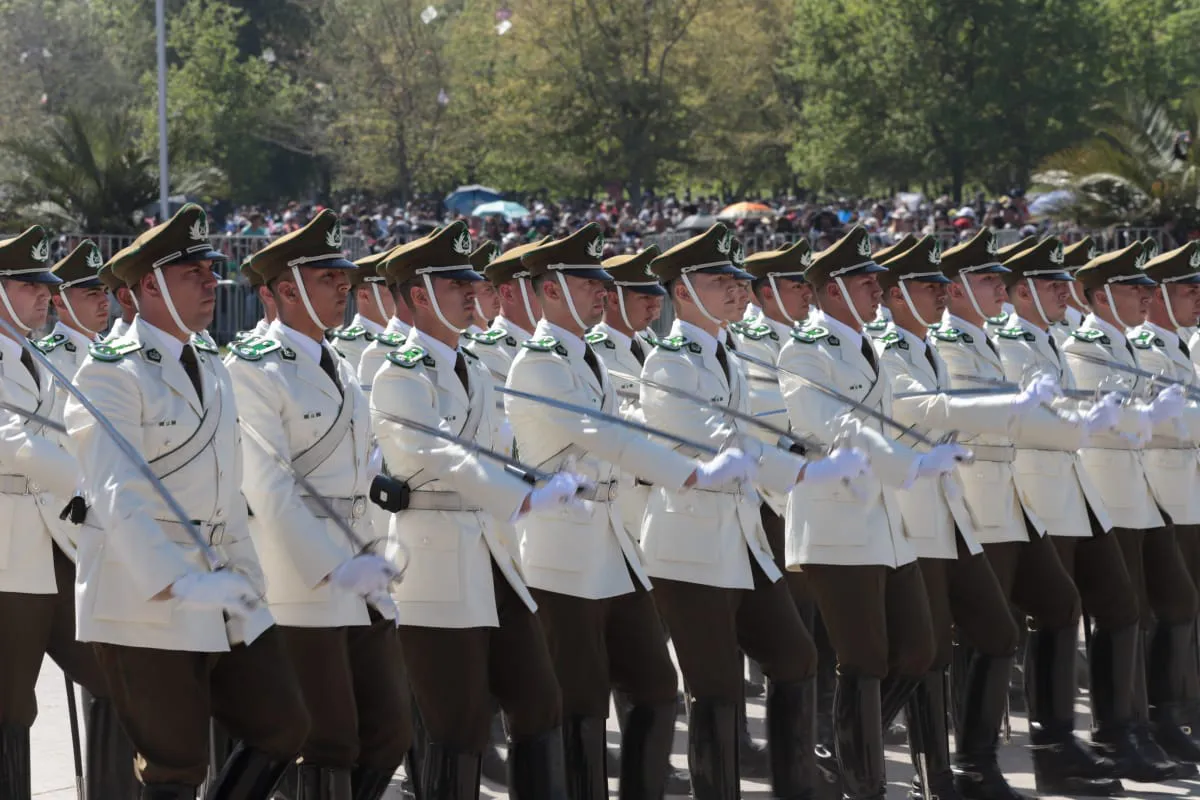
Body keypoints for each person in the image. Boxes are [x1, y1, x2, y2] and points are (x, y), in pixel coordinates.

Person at [66, 204, 311, 799]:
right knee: (175, 765)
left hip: (223, 584)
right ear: (149, 285)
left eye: (211, 271)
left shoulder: (211, 364)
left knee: (283, 726)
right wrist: (176, 581)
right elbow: (117, 494)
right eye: (192, 274)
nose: (211, 284)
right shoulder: (110, 374)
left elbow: (228, 493)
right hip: (144, 594)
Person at [505, 225, 758, 799]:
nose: (602, 291)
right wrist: (687, 469)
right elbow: (600, 434)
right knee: (581, 699)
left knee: (654, 686)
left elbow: (633, 430)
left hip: (616, 545)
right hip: (564, 551)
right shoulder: (538, 363)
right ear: (549, 290)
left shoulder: (592, 355)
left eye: (601, 282)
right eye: (587, 282)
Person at [638, 224, 871, 799]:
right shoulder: (667, 363)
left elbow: (751, 434)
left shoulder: (726, 356)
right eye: (723, 283)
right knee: (714, 687)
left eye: (740, 283)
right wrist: (804, 471)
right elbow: (721, 440)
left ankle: (797, 789)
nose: (739, 293)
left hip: (740, 539)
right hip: (689, 548)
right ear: (685, 289)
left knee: (795, 656)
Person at [370, 221, 580, 799]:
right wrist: (521, 495)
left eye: (472, 282)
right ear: (419, 295)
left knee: (540, 700)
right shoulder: (398, 374)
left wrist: (535, 479)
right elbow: (438, 454)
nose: (472, 292)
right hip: (436, 558)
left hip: (492, 557)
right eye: (454, 283)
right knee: (457, 725)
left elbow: (495, 450)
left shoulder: (475, 369)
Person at [226, 210, 413, 800]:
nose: (345, 289)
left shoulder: (338, 362)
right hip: (301, 580)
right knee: (328, 736)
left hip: (362, 576)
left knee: (390, 732)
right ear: (285, 289)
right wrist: (333, 567)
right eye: (329, 278)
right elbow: (270, 488)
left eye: (346, 279)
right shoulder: (253, 368)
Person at [778, 225, 956, 800]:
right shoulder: (803, 349)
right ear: (831, 291)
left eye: (876, 280)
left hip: (882, 520)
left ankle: (843, 746)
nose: (877, 288)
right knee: (863, 659)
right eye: (863, 280)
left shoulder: (868, 344)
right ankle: (863, 783)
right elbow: (839, 428)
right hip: (835, 522)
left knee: (918, 649)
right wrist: (909, 463)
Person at [994, 237, 1147, 791]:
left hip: (1075, 484)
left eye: (1064, 281)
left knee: (1118, 602)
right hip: (1038, 488)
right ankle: (1052, 745)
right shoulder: (1008, 341)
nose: (1066, 290)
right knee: (1054, 611)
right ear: (1023, 291)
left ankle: (1114, 733)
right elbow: (1024, 417)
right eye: (1052, 282)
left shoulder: (1052, 337)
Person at [0, 228, 136, 799]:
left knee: (116, 676)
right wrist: (90, 480)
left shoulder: (35, 356)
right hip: (9, 555)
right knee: (8, 707)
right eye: (30, 285)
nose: (43, 295)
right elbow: (11, 441)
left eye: (44, 286)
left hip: (59, 543)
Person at [1060, 241, 1197, 781]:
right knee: (1124, 612)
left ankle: (1159, 720)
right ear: (1099, 297)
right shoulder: (1085, 347)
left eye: (1146, 287)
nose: (1145, 296)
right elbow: (1112, 416)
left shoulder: (1127, 345)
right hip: (1110, 489)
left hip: (1143, 490)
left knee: (1169, 602)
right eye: (1132, 288)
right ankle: (1121, 731)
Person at [37, 239, 140, 799]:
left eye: (103, 291)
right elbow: (57, 454)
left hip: (116, 532)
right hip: (67, 538)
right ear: (60, 299)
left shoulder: (114, 353)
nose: (101, 301)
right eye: (87, 291)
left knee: (118, 675)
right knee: (104, 674)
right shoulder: (50, 357)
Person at [1124, 241, 1200, 761]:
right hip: (1159, 492)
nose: (1197, 298)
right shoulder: (1142, 346)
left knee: (1185, 607)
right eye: (1186, 290)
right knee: (1165, 606)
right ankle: (1161, 714)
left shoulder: (1179, 345)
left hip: (1186, 489)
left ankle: (1179, 710)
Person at [330, 245, 395, 376]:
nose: (401, 296)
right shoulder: (348, 347)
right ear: (364, 296)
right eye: (392, 290)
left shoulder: (403, 336)